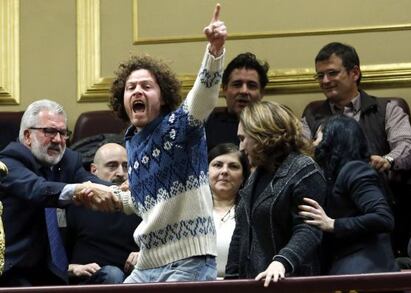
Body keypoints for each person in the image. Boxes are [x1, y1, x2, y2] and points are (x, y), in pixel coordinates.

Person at [77, 4, 227, 283]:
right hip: (149, 262)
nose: (137, 91)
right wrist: (109, 197)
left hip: (189, 260)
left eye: (147, 86)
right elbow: (145, 198)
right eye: (131, 87)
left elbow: (204, 94)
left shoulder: (181, 125)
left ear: (162, 96)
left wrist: (215, 51)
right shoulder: (132, 141)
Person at [301, 41, 411, 256]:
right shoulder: (311, 116)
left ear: (354, 72)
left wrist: (387, 160)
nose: (325, 81)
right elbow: (300, 155)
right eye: (320, 75)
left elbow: (407, 145)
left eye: (332, 73)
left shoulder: (386, 108)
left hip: (380, 204)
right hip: (330, 209)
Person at [0, 99, 119, 286]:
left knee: (111, 276)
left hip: (57, 273)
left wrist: (117, 192)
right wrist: (78, 190)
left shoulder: (68, 161)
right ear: (27, 136)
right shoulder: (8, 163)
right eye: (49, 131)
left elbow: (91, 182)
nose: (58, 140)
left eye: (63, 133)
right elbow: (38, 190)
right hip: (16, 272)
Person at [225, 101, 325, 287]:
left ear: (262, 134)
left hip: (292, 283)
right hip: (254, 283)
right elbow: (241, 233)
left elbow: (309, 228)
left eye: (243, 138)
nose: (240, 147)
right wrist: (231, 281)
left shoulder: (304, 169)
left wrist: (282, 261)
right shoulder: (256, 175)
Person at [299, 115, 398, 274]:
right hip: (349, 266)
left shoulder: (355, 170)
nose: (313, 143)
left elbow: (383, 218)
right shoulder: (335, 174)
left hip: (365, 269)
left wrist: (332, 224)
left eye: (317, 137)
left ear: (333, 139)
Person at [65, 143, 141, 284]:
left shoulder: (141, 202)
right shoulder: (78, 201)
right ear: (94, 170)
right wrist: (72, 268)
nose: (120, 172)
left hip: (135, 278)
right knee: (113, 275)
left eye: (126, 166)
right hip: (88, 280)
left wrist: (144, 254)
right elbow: (54, 256)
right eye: (112, 166)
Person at [205, 52, 269, 150]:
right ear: (224, 89)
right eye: (237, 84)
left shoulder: (272, 129)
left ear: (262, 93)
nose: (244, 91)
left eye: (251, 86)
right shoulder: (205, 128)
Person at [208, 143, 248, 279]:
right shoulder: (190, 211)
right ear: (206, 171)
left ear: (243, 177)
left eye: (233, 166)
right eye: (218, 165)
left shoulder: (252, 212)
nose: (224, 171)